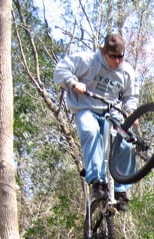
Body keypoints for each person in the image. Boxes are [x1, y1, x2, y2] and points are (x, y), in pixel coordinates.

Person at [54, 33, 138, 211]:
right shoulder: (87, 61)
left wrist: (131, 111)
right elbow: (61, 70)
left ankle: (121, 190)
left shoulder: (127, 71)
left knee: (126, 143)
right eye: (113, 57)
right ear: (104, 53)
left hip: (112, 112)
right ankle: (97, 183)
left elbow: (130, 96)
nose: (117, 61)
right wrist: (72, 82)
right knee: (90, 132)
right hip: (86, 108)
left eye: (120, 56)